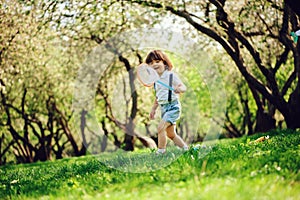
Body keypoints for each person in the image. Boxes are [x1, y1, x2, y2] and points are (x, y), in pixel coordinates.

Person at [144, 50, 189, 154]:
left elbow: (183, 87)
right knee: (171, 134)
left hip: (173, 107)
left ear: (164, 63)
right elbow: (158, 97)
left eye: (157, 61)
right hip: (164, 108)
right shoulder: (155, 80)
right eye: (150, 63)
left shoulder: (170, 75)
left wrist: (180, 89)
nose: (154, 64)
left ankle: (161, 152)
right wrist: (153, 109)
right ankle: (186, 149)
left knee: (161, 127)